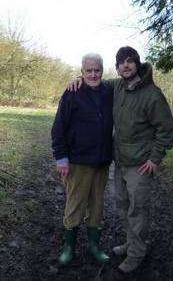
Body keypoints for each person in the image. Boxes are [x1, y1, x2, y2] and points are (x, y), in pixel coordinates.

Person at [68, 46, 173, 274]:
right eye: (121, 62)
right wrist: (79, 78)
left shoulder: (152, 94)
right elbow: (93, 80)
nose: (125, 65)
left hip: (141, 165)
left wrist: (155, 158)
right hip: (121, 161)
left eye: (129, 61)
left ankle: (137, 253)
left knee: (138, 210)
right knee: (123, 206)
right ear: (117, 68)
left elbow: (166, 129)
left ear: (137, 64)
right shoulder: (116, 87)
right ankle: (130, 243)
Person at [51, 53, 113, 265]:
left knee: (97, 205)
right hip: (77, 162)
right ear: (82, 71)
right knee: (75, 204)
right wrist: (61, 157)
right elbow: (58, 128)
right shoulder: (72, 93)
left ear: (102, 71)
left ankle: (94, 246)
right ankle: (69, 248)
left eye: (97, 70)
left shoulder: (109, 91)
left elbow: (129, 79)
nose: (93, 74)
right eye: (89, 70)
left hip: (102, 161)